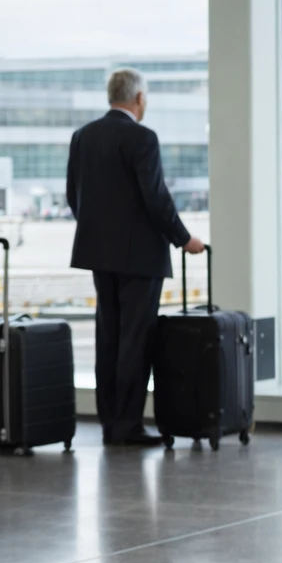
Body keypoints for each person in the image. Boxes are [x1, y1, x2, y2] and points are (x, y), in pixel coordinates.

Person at [66, 67, 205, 447]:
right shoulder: (141, 138)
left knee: (108, 339)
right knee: (134, 342)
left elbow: (73, 196)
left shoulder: (83, 136)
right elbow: (155, 198)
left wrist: (100, 234)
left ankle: (111, 423)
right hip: (140, 258)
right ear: (139, 98)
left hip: (98, 254)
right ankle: (128, 426)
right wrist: (184, 239)